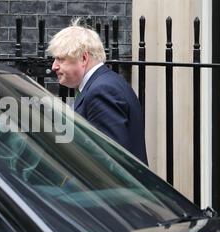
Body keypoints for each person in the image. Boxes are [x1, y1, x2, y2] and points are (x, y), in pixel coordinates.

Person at [47, 18, 148, 165]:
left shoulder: (101, 91)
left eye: (60, 59)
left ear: (83, 58)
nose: (54, 66)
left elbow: (110, 159)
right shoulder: (106, 83)